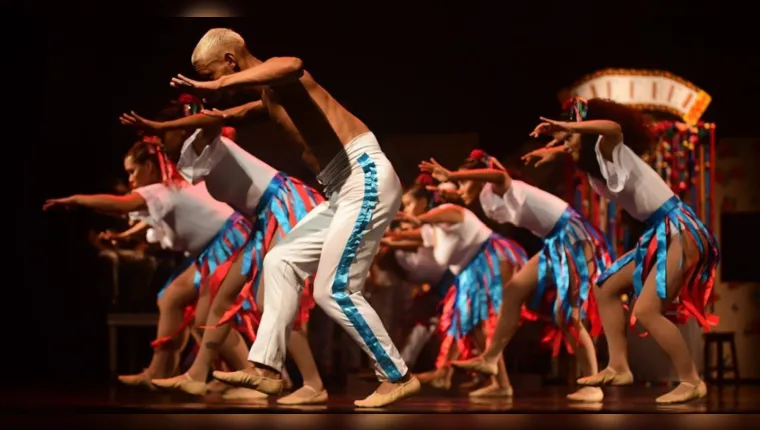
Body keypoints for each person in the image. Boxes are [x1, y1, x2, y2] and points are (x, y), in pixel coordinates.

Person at [168, 28, 418, 407]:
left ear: (230, 61)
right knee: (280, 260)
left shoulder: (285, 74)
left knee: (334, 290)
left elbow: (292, 64)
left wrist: (221, 83)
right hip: (342, 189)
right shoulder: (272, 95)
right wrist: (163, 128)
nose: (212, 82)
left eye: (211, 72)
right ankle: (267, 369)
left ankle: (396, 375)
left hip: (363, 175)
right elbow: (230, 113)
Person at [120, 96, 327, 405]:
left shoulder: (210, 142)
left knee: (272, 300)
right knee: (222, 299)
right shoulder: (191, 161)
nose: (162, 142)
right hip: (263, 221)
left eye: (167, 134)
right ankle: (197, 375)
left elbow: (209, 121)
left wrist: (168, 120)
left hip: (285, 207)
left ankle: (312, 383)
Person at [522, 97, 719, 404]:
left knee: (646, 310)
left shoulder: (611, 147)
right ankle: (619, 365)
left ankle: (692, 380)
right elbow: (576, 148)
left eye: (572, 137)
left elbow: (612, 127)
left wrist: (568, 127)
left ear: (586, 133)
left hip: (679, 229)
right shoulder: (597, 162)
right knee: (605, 287)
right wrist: (556, 150)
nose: (567, 143)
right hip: (661, 232)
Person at [43, 141, 256, 396]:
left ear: (148, 166)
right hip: (220, 245)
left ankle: (244, 375)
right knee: (178, 303)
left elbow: (121, 204)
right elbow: (151, 219)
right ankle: (182, 371)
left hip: (228, 244)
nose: (130, 179)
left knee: (192, 308)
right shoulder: (170, 189)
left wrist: (77, 200)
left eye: (133, 171)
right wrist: (125, 236)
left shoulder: (163, 188)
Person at [422, 149, 612, 402]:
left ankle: (593, 384)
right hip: (555, 241)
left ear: (479, 179)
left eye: (464, 181)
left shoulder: (498, 187)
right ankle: (490, 359)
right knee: (513, 291)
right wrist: (451, 185)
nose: (459, 187)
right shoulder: (488, 200)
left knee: (567, 316)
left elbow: (498, 176)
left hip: (574, 236)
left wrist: (453, 173)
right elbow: (474, 186)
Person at [392, 182, 528, 398]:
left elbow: (419, 222)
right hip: (472, 269)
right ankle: (495, 381)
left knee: (482, 323)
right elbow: (411, 237)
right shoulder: (435, 227)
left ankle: (493, 381)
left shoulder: (450, 211)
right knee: (472, 325)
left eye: (408, 204)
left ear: (423, 201)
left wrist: (398, 217)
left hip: (489, 260)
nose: (407, 209)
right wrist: (385, 240)